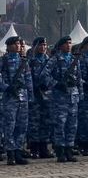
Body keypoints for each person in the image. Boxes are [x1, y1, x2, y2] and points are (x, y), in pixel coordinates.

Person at [42, 36, 82, 162]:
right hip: (60, 98)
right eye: (66, 43)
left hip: (73, 96)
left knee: (72, 125)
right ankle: (60, 151)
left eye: (70, 43)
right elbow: (44, 75)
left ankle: (69, 149)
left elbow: (79, 78)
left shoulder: (75, 60)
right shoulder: (55, 59)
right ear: (60, 46)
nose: (69, 45)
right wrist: (56, 84)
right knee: (60, 125)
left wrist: (80, 93)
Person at [1, 36, 33, 165]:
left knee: (22, 126)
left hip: (22, 97)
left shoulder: (23, 61)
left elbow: (28, 78)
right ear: (8, 47)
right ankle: (11, 153)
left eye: (19, 44)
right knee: (10, 126)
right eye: (15, 44)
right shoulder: (3, 61)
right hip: (10, 98)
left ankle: (19, 151)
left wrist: (30, 96)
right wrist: (6, 87)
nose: (18, 46)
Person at [27, 37, 54, 159]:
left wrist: (49, 84)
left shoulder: (49, 61)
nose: (43, 47)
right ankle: (34, 148)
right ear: (35, 47)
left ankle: (44, 148)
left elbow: (54, 76)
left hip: (47, 95)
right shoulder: (30, 61)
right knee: (34, 123)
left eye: (45, 45)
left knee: (46, 122)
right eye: (40, 45)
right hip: (35, 95)